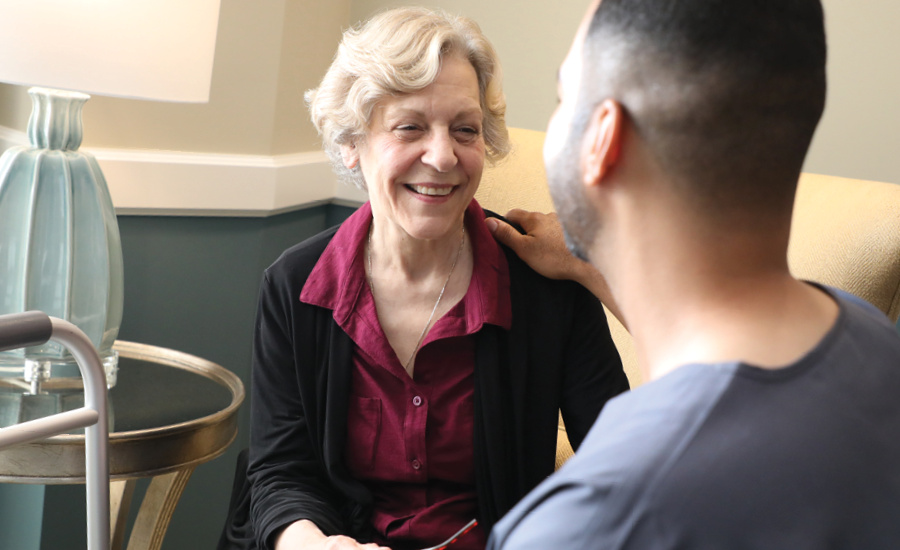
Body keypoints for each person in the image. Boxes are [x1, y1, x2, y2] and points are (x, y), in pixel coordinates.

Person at [486, 0, 900, 548]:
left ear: (601, 139)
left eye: (565, 98)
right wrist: (591, 263)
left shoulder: (583, 527)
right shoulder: (873, 339)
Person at [247, 7, 628, 550]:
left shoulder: (546, 281)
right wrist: (318, 545)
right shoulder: (294, 286)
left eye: (465, 130)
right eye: (410, 128)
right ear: (352, 143)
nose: (443, 155)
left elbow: (617, 467)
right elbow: (280, 473)